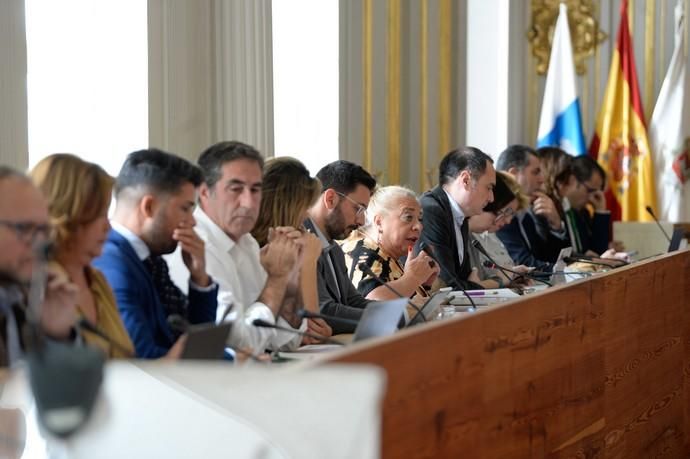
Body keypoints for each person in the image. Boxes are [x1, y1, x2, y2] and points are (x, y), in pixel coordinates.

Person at [167, 143, 329, 353]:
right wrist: (277, 279)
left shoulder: (247, 242)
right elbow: (240, 343)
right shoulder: (196, 246)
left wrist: (291, 287)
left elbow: (284, 340)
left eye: (255, 190)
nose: (248, 202)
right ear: (206, 192)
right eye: (236, 189)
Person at [93, 149, 217, 359]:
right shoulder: (113, 265)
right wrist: (231, 360)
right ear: (148, 207)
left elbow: (188, 335)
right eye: (185, 209)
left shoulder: (152, 260)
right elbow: (143, 358)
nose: (193, 221)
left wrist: (199, 278)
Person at [29, 154, 135, 358]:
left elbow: (127, 358)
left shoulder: (98, 281)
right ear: (70, 216)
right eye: (99, 215)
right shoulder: (36, 287)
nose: (108, 226)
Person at [0, 167, 78, 367]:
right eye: (25, 229)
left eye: (44, 230)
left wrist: (56, 334)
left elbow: (61, 393)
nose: (39, 244)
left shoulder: (16, 297)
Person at [249, 156, 332, 343]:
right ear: (286, 205)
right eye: (305, 206)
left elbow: (308, 330)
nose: (307, 214)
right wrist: (308, 263)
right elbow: (311, 331)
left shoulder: (290, 243)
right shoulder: (255, 249)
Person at [304, 160, 377, 334]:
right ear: (330, 199)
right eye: (358, 208)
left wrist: (401, 311)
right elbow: (325, 312)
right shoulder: (302, 241)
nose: (361, 221)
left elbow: (352, 301)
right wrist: (390, 318)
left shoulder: (334, 249)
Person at [417, 146, 496, 291]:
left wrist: (470, 284)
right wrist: (475, 285)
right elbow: (446, 284)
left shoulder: (460, 215)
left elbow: (462, 280)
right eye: (489, 187)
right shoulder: (431, 210)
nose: (491, 198)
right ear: (466, 180)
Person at [341, 186, 438, 300]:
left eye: (419, 219)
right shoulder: (365, 252)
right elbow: (373, 306)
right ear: (379, 222)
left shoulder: (389, 255)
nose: (419, 226)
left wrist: (424, 284)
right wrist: (413, 279)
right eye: (408, 217)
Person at [495, 145, 570, 271]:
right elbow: (523, 262)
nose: (542, 179)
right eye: (536, 172)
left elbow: (548, 258)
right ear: (513, 174)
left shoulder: (528, 216)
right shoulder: (499, 215)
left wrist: (556, 225)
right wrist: (571, 271)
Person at [468, 171, 531, 288]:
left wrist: (511, 276)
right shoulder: (467, 233)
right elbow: (473, 287)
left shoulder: (485, 235)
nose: (507, 220)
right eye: (506, 212)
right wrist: (502, 280)